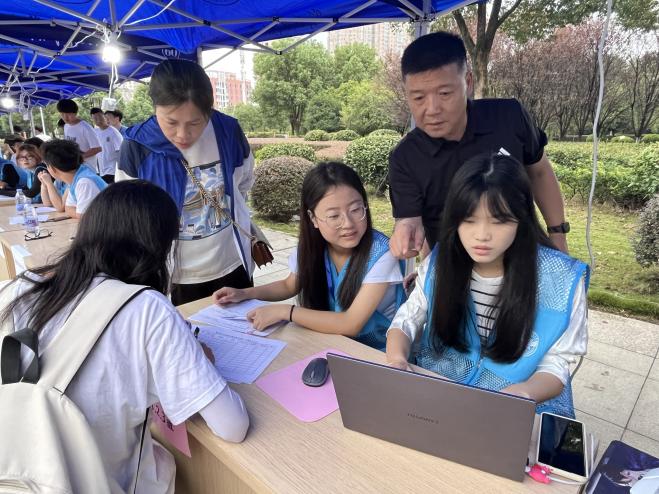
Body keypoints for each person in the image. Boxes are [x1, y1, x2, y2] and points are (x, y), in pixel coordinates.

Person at [0, 180, 249, 492]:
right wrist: (197, 357)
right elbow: (232, 426)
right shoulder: (146, 309)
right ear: (157, 247)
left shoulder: (17, 289)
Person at [385, 153, 588, 418]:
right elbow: (408, 318)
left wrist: (523, 393)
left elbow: (558, 362)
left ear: (521, 219)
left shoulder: (562, 279)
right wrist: (397, 361)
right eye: (469, 220)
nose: (481, 235)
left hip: (517, 404)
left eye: (499, 220)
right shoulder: (442, 261)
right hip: (444, 393)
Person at [388, 31, 570, 261]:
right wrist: (406, 231)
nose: (432, 109)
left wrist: (557, 234)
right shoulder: (405, 158)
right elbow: (410, 219)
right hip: (454, 268)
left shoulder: (509, 117)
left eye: (444, 93)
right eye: (418, 98)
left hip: (523, 258)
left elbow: (540, 171)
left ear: (468, 82)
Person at [214, 162, 405, 351]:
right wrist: (244, 293)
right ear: (313, 218)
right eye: (334, 216)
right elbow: (289, 285)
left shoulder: (381, 253)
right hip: (331, 343)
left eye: (356, 210)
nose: (348, 223)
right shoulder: (313, 247)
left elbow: (351, 323)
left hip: (380, 352)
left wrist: (285, 312)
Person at [118, 59, 255, 306]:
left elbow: (244, 181)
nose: (183, 134)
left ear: (209, 111)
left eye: (195, 123)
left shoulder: (228, 131)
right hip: (175, 275)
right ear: (155, 107)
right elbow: (128, 214)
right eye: (171, 122)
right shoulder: (137, 145)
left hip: (232, 261)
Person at [38, 139, 107, 218]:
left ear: (52, 168)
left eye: (47, 165)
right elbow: (68, 208)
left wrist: (76, 213)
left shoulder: (84, 182)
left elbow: (83, 216)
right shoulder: (75, 179)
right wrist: (76, 212)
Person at [57, 98, 102, 173]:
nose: (65, 117)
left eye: (68, 114)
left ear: (75, 113)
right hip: (73, 168)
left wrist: (80, 157)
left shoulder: (85, 128)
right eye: (62, 114)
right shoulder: (66, 126)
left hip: (87, 169)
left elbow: (97, 148)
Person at [90, 107, 123, 183]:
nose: (98, 120)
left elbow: (121, 150)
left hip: (113, 170)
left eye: (99, 117)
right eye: (95, 118)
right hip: (101, 170)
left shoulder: (113, 132)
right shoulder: (95, 132)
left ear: (104, 117)